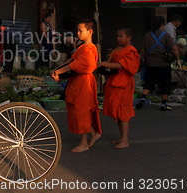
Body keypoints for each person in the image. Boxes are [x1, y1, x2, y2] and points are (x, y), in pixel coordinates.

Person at [51, 19, 101, 153]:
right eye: (77, 30)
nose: (78, 33)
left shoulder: (90, 49)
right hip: (77, 82)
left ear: (90, 32)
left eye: (81, 30)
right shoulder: (81, 47)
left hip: (84, 83)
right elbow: (70, 62)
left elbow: (76, 65)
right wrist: (58, 71)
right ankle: (94, 133)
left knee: (81, 111)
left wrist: (58, 71)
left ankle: (84, 143)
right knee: (79, 110)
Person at [98, 26, 140, 149]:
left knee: (123, 112)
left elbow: (120, 65)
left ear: (129, 38)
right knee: (117, 111)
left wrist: (104, 64)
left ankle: (125, 140)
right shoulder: (117, 49)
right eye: (117, 36)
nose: (118, 38)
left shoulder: (131, 51)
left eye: (121, 36)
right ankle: (121, 137)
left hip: (124, 84)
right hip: (114, 83)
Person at [137, 16, 180, 111]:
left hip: (150, 64)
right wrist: (178, 60)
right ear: (162, 25)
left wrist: (146, 59)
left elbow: (143, 51)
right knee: (165, 84)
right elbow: (174, 48)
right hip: (163, 64)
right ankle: (164, 104)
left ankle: (143, 98)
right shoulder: (166, 35)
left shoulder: (147, 35)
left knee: (149, 82)